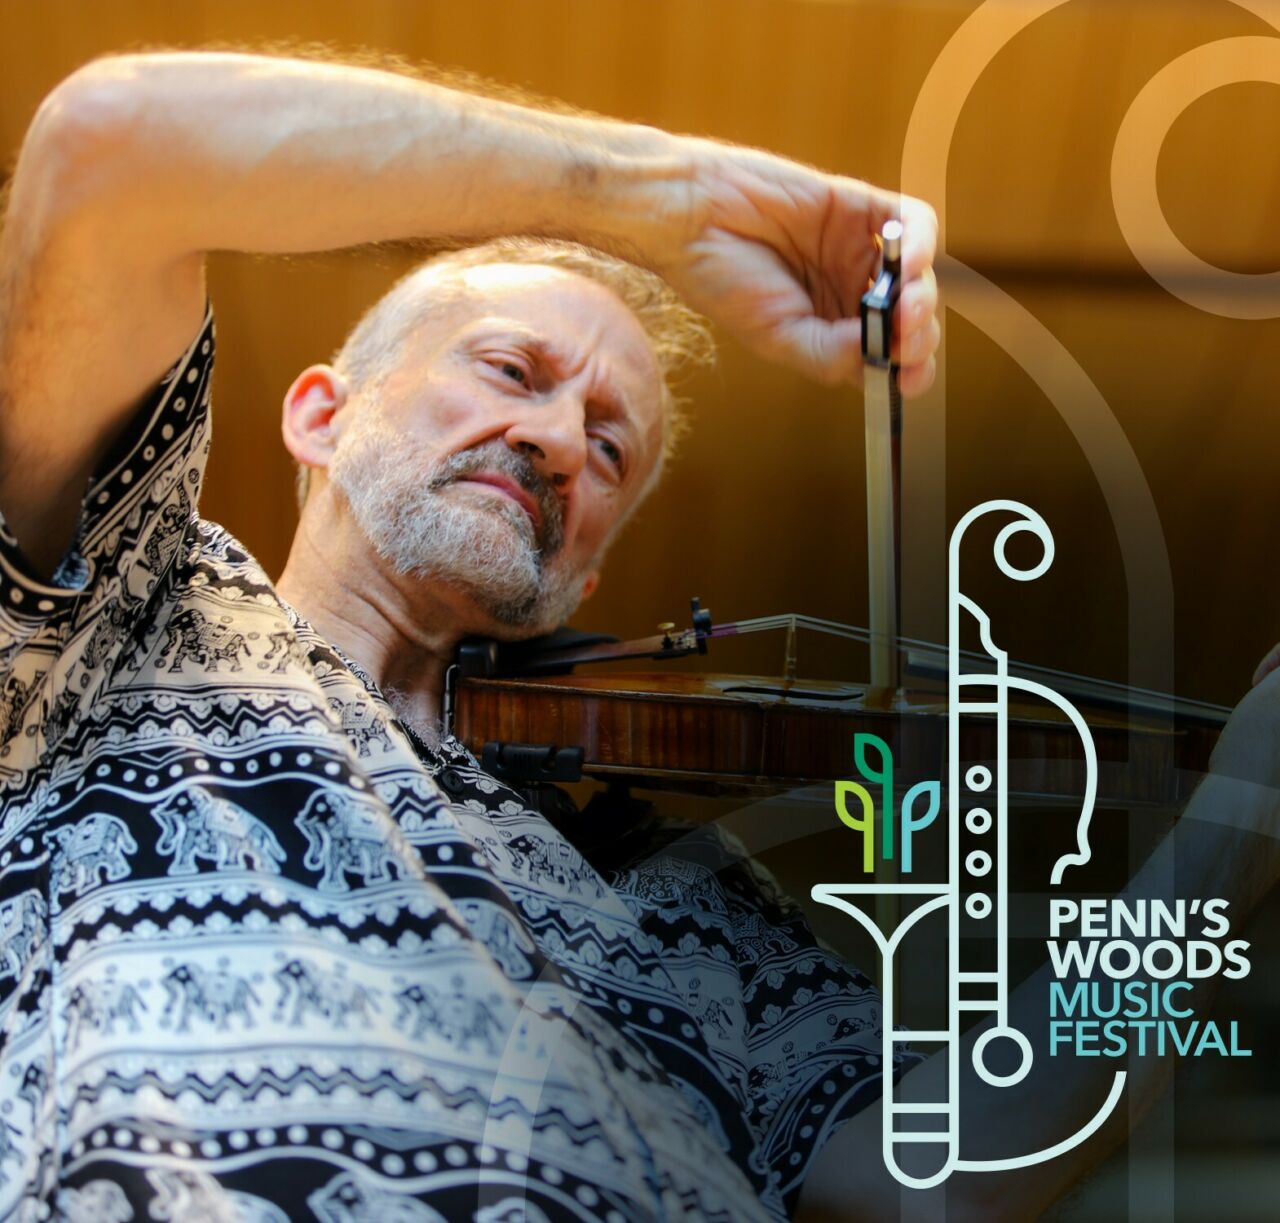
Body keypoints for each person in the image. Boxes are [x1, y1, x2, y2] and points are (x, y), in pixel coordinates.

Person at [0, 50, 941, 1220]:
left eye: (609, 448)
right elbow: (111, 145)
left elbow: (948, 1181)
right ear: (320, 413)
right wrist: (668, 203)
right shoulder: (128, 614)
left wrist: (1232, 835)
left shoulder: (676, 876)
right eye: (512, 368)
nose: (555, 441)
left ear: (587, 568)